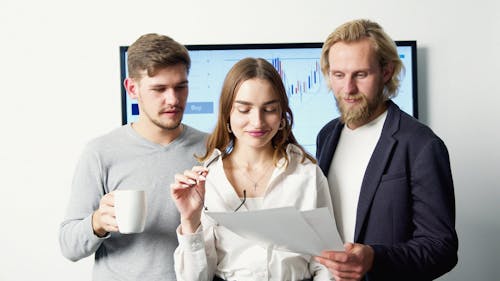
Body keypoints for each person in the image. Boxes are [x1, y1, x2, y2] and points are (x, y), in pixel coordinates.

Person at [313, 19, 458, 281]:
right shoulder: (326, 135)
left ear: (387, 72)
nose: (348, 89)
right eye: (338, 75)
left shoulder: (421, 145)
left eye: (360, 74)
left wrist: (374, 258)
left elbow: (442, 248)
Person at [170, 57, 335, 281]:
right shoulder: (209, 180)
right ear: (228, 114)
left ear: (282, 115)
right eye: (244, 109)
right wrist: (190, 220)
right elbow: (194, 278)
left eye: (269, 109)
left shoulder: (306, 174)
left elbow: (327, 264)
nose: (257, 122)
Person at [59, 33, 207, 281]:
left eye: (181, 87)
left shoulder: (212, 148)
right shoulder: (100, 152)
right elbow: (69, 246)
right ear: (132, 89)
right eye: (159, 89)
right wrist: (97, 222)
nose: (173, 99)